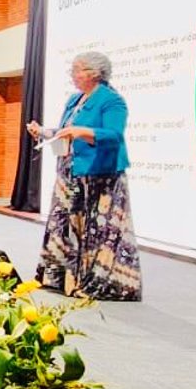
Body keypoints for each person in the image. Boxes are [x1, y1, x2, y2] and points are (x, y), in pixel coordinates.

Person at [31, 50, 141, 301]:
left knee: (93, 230)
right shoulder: (75, 99)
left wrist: (83, 131)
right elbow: (65, 130)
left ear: (94, 73)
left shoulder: (111, 101)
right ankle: (60, 277)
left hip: (99, 176)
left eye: (77, 69)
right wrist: (44, 131)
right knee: (65, 224)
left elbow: (113, 135)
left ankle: (96, 281)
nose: (73, 74)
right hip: (70, 173)